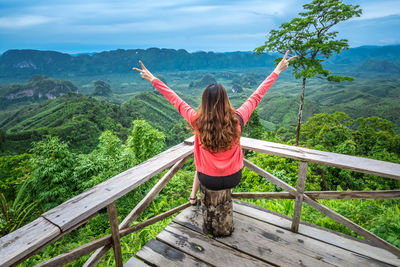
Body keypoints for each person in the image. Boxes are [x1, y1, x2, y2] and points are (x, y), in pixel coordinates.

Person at [133, 50, 296, 205]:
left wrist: (153, 79)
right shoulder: (238, 119)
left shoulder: (197, 121)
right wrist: (277, 70)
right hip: (234, 177)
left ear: (204, 102)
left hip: (208, 178)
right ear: (226, 100)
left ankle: (192, 196)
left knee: (200, 155)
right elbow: (257, 95)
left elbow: (175, 100)